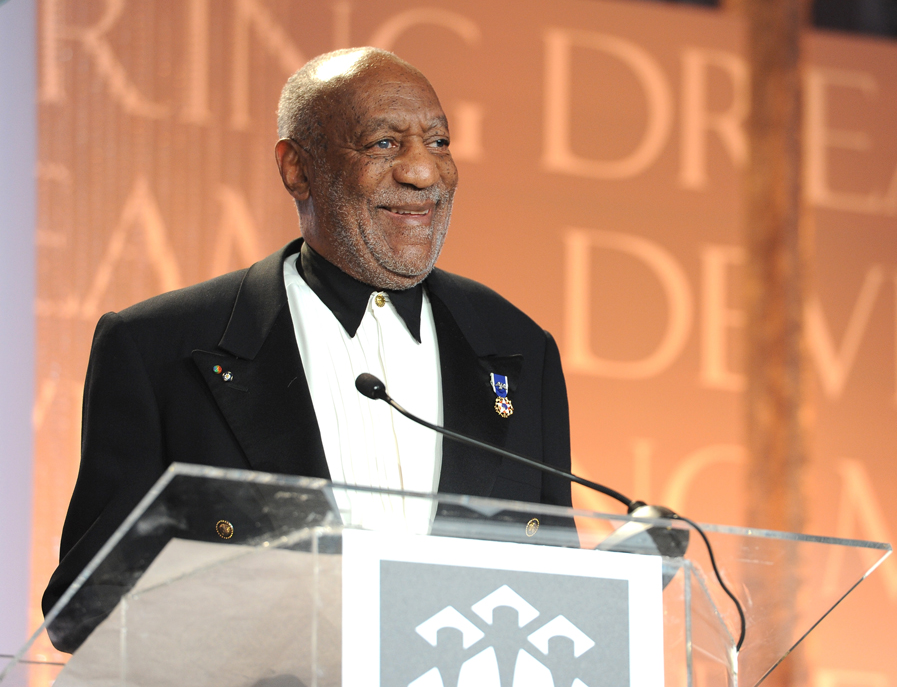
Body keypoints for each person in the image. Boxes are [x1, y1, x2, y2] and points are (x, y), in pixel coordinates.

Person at [42, 48, 572, 648]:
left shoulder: (519, 350)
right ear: (297, 169)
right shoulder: (159, 348)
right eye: (384, 144)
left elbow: (559, 592)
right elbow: (85, 610)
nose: (424, 172)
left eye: (439, 142)